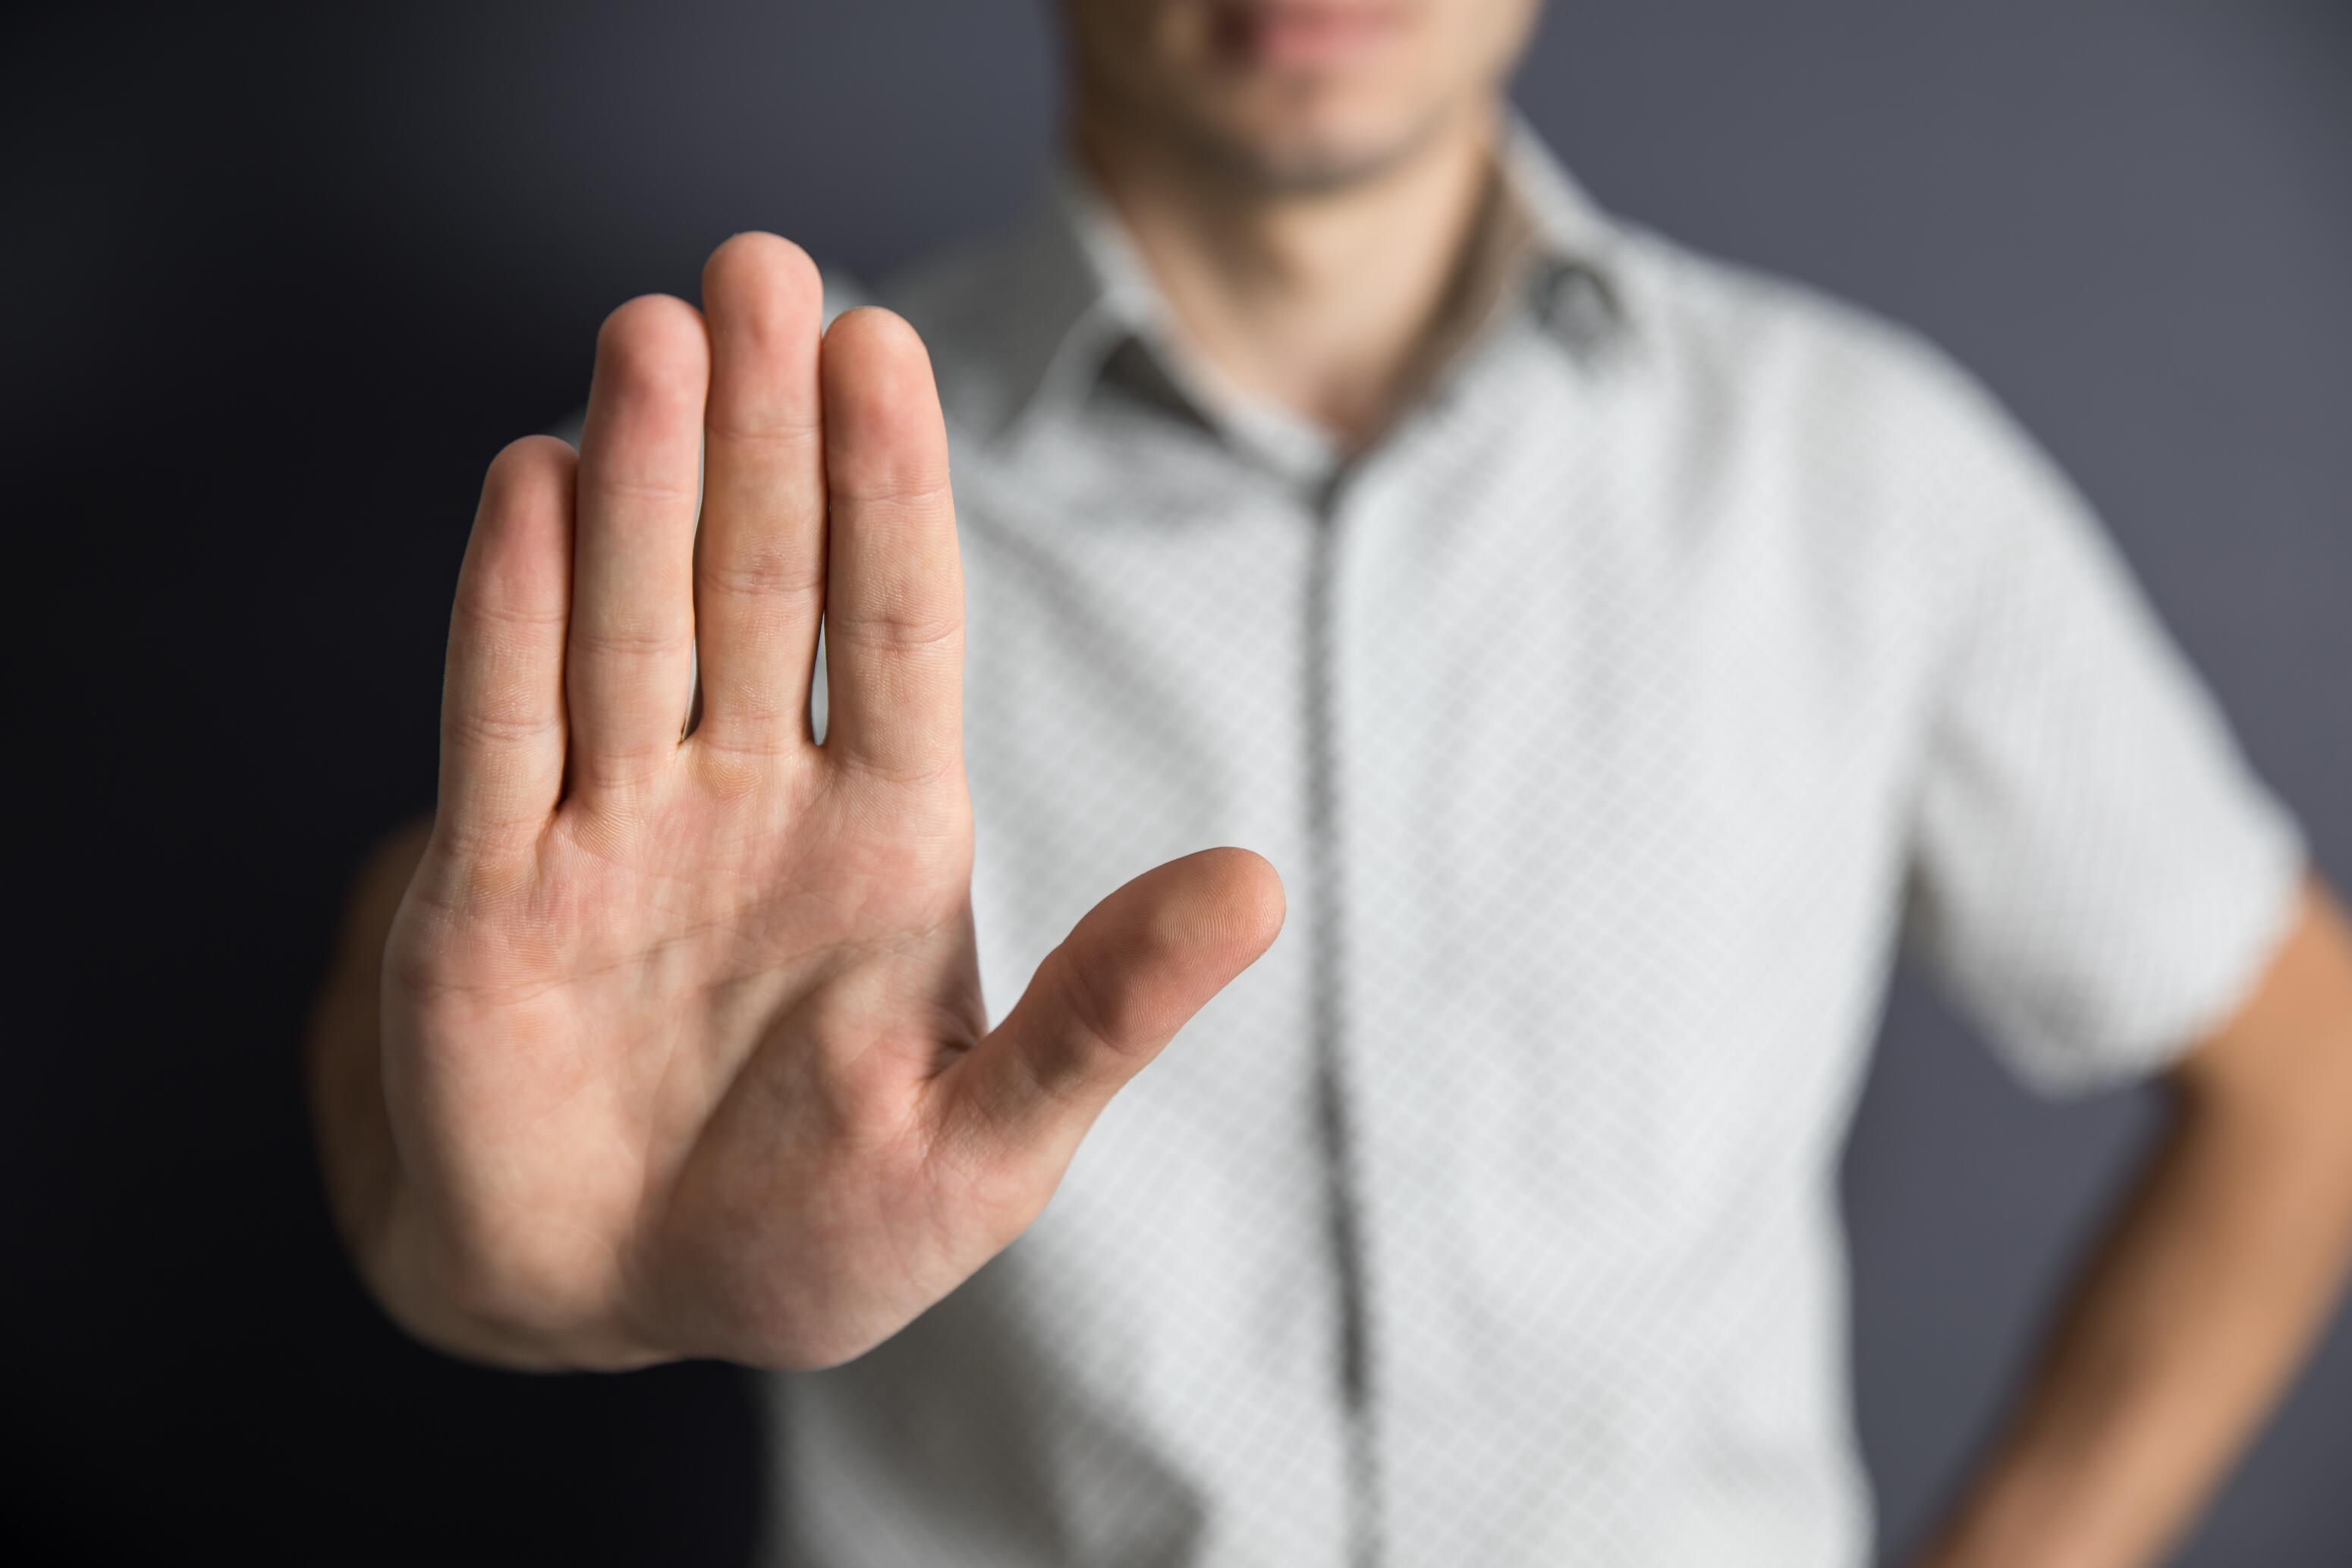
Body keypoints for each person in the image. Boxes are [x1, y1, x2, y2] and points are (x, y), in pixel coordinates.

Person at [304, 2, 2352, 1564]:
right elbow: (463, 1039)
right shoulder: (757, 479)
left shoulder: (1857, 470)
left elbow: (2301, 1057)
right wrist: (509, 1267)